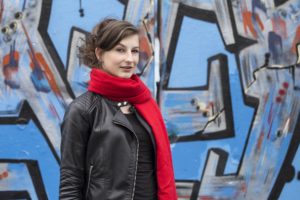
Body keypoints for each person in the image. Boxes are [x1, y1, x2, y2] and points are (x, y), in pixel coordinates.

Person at [59, 18, 177, 200]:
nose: (130, 59)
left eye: (135, 51)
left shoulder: (145, 102)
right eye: (120, 50)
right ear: (99, 53)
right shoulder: (83, 110)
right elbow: (70, 182)